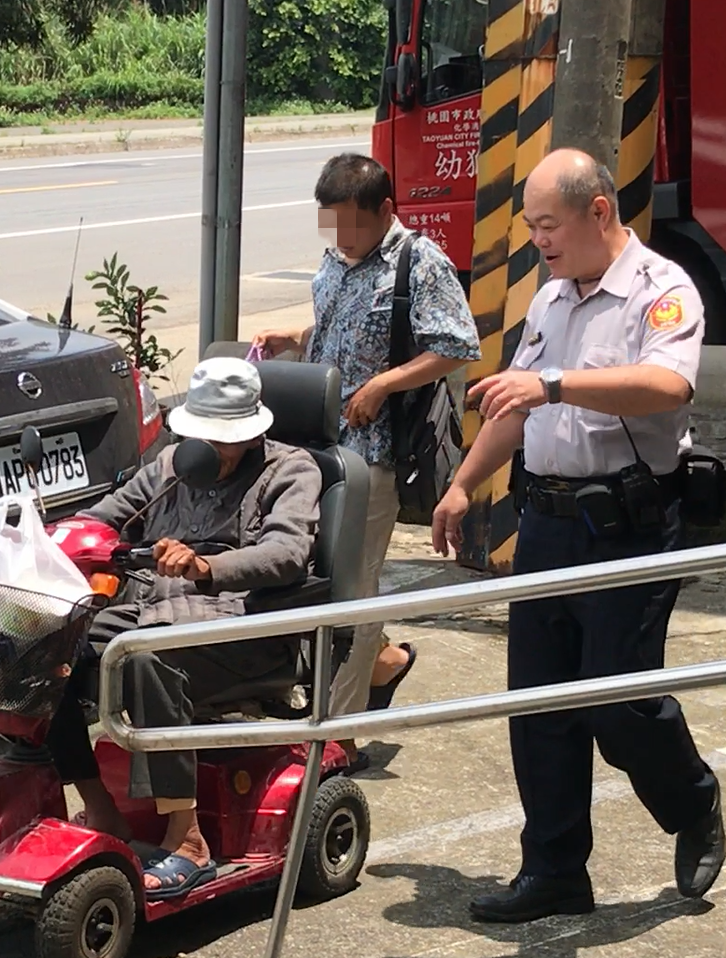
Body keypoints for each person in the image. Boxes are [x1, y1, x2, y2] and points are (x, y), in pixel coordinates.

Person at [430, 148, 725, 923]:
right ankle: (554, 869)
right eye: (530, 227)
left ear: (598, 212)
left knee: (616, 702)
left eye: (548, 225)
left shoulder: (659, 291)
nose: (538, 241)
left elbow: (667, 385)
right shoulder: (552, 298)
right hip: (549, 526)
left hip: (627, 526)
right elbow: (514, 408)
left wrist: (554, 382)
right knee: (538, 705)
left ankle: (692, 800)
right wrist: (463, 484)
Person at [45, 357, 323, 900]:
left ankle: (189, 839)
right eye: (201, 435)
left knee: (146, 656)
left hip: (245, 628)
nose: (209, 448)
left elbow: (288, 552)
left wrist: (205, 567)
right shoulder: (172, 465)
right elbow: (104, 517)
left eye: (222, 438)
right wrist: (56, 534)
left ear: (252, 431)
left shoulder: (292, 469)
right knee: (51, 650)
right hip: (153, 613)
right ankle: (101, 808)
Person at [251, 152, 480, 761]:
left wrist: (383, 385)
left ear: (385, 211)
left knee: (354, 590)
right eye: (330, 225)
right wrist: (295, 338)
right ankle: (382, 664)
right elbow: (342, 324)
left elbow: (457, 345)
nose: (340, 239)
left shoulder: (418, 262)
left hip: (373, 456)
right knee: (313, 576)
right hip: (314, 445)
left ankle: (337, 738)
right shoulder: (336, 259)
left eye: (352, 225)